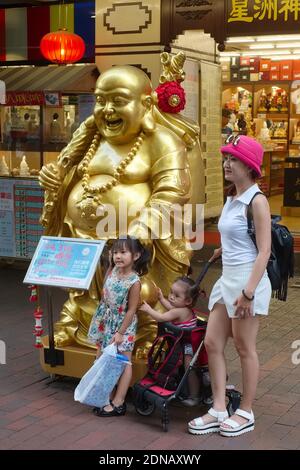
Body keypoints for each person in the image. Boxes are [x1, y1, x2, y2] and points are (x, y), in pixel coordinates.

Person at [38, 56, 205, 360]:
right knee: (85, 290)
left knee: (137, 291)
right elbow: (66, 166)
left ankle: (142, 332)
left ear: (145, 104)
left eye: (119, 101)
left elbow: (173, 191)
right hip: (85, 240)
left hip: (136, 246)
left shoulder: (162, 141)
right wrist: (55, 177)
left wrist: (139, 231)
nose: (107, 110)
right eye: (100, 101)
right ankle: (80, 325)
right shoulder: (90, 137)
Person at [188, 135, 272, 437]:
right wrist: (225, 249)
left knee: (244, 347)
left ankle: (246, 411)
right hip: (227, 280)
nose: (227, 163)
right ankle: (219, 408)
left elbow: (264, 251)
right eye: (226, 157)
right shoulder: (231, 197)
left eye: (233, 159)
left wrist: (249, 293)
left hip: (248, 282)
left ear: (249, 166)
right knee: (212, 343)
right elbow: (237, 235)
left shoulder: (257, 201)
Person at [88, 236, 150, 416]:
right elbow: (104, 293)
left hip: (124, 325)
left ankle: (119, 401)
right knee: (102, 359)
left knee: (123, 362)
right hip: (106, 321)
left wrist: (120, 333)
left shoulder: (134, 281)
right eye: (115, 252)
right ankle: (107, 395)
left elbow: (131, 310)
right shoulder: (113, 270)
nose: (118, 256)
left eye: (123, 252)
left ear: (136, 255)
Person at [140, 276, 201, 406]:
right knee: (186, 368)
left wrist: (148, 310)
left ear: (188, 300)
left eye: (176, 295)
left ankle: (194, 396)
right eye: (171, 292)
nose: (172, 297)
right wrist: (162, 298)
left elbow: (162, 317)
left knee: (189, 368)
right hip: (183, 342)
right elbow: (171, 307)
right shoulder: (181, 308)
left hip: (187, 345)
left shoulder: (180, 311)